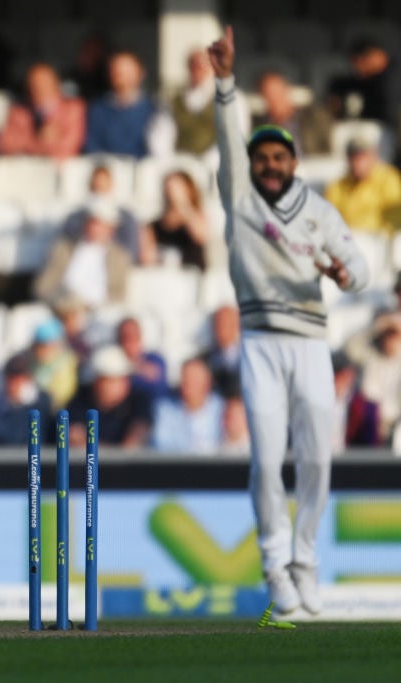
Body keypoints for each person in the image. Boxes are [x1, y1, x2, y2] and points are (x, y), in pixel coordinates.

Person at [208, 26, 370, 618]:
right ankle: (275, 565)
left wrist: (347, 276)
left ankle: (306, 563)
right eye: (260, 158)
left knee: (319, 459)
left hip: (309, 344)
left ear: (294, 162)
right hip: (259, 343)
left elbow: (359, 266)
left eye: (279, 157)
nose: (269, 166)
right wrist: (226, 81)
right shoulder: (242, 201)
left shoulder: (319, 210)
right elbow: (228, 141)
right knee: (266, 459)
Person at [83, 50, 174, 159]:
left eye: (127, 71)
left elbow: (160, 150)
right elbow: (92, 147)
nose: (121, 75)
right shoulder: (98, 110)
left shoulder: (155, 109)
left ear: (141, 73)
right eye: (116, 70)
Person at [0, 62, 86, 162]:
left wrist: (26, 146)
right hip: (28, 171)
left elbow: (69, 147)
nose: (40, 87)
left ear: (56, 83)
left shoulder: (74, 109)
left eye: (44, 82)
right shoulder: (19, 113)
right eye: (34, 83)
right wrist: (38, 141)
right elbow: (5, 144)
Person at [66, 345, 152, 448]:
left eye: (124, 378)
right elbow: (75, 435)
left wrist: (122, 455)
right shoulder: (80, 401)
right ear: (97, 382)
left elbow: (139, 433)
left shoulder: (139, 401)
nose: (124, 384)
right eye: (113, 380)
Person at [324, 133, 401, 234]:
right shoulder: (337, 186)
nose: (359, 163)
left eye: (363, 157)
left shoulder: (389, 179)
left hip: (379, 241)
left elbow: (395, 217)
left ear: (374, 156)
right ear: (348, 160)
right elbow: (327, 219)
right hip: (347, 240)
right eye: (354, 158)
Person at [139, 170, 210, 271]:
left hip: (193, 279)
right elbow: (147, 260)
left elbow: (201, 236)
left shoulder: (198, 217)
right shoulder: (152, 227)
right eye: (169, 189)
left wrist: (182, 203)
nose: (172, 192)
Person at [151, 358, 225, 454]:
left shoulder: (222, 409)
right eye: (185, 378)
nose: (187, 384)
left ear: (207, 384)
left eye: (193, 380)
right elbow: (161, 445)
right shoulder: (165, 410)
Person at [0, 352, 52, 446]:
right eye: (11, 379)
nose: (14, 385)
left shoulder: (43, 404)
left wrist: (24, 405)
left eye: (20, 379)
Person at [253, 71, 333, 158]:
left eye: (278, 93)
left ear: (287, 90)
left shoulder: (314, 117)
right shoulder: (260, 127)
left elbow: (328, 147)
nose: (274, 100)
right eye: (269, 95)